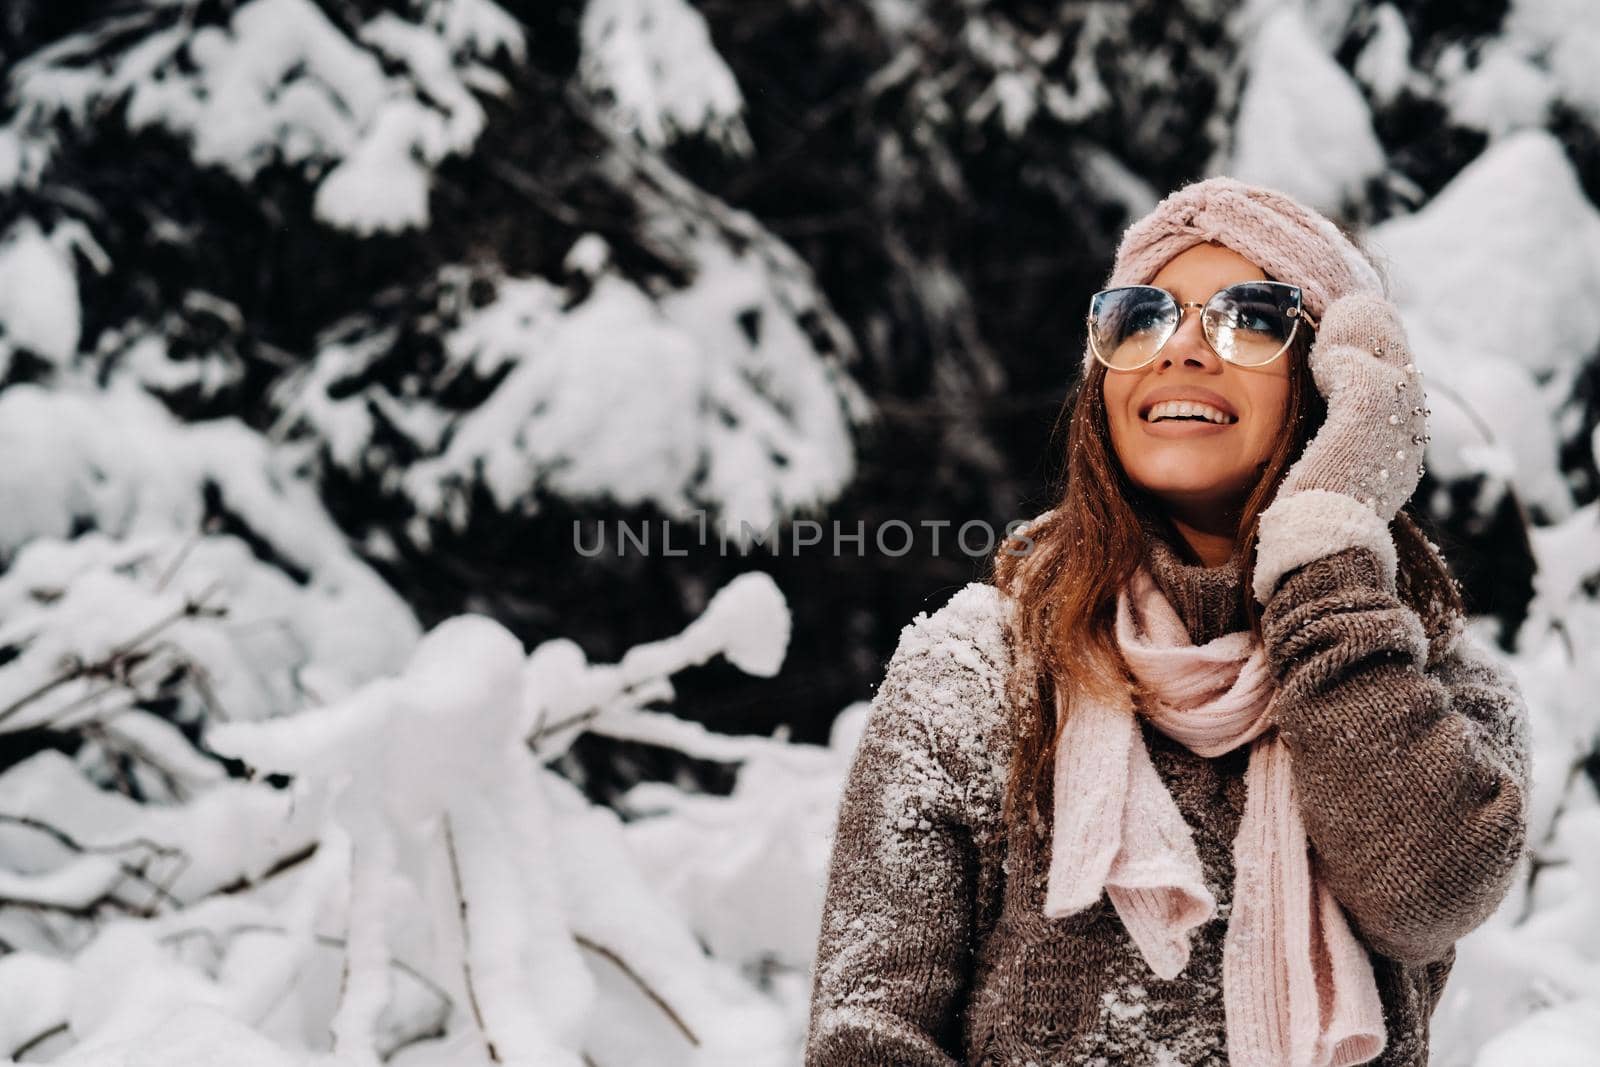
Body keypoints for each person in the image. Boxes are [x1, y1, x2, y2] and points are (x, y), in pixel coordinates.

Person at [802, 177, 1531, 1067]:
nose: (1181, 346)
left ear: (1338, 382)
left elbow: (1428, 893)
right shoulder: (974, 674)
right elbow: (867, 1040)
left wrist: (1327, 536)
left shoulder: (1431, 683)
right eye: (1140, 316)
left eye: (1252, 316)